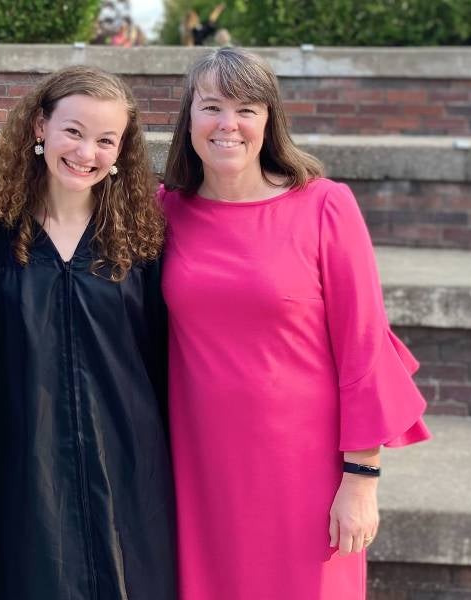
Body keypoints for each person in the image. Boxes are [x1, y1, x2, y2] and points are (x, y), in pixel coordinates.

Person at [160, 47, 430, 599]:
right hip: (199, 471)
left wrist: (361, 480)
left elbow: (364, 347)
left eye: (246, 109)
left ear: (269, 120)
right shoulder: (164, 211)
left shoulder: (324, 205)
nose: (227, 124)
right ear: (189, 118)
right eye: (211, 107)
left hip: (305, 471)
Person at [0, 65, 176, 600]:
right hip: (24, 466)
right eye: (74, 132)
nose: (87, 152)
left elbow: (162, 351)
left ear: (121, 151)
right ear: (41, 127)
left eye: (105, 140)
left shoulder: (141, 239)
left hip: (131, 462)